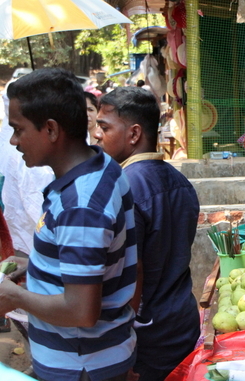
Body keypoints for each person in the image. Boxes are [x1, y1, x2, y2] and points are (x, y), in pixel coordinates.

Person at [0, 68, 137, 381]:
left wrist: (14, 297)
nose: (13, 140)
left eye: (18, 129)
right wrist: (28, 266)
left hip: (82, 366)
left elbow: (81, 312)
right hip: (97, 356)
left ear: (50, 129)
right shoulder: (99, 166)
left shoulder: (81, 204)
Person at [94, 87, 200, 381]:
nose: (97, 136)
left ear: (134, 134)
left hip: (147, 336)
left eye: (104, 127)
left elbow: (134, 271)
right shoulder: (180, 181)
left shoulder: (123, 186)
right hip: (181, 323)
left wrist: (122, 346)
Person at [0, 79, 54, 258]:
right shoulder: (28, 153)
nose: (13, 140)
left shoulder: (34, 152)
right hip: (28, 245)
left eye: (18, 130)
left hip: (31, 246)